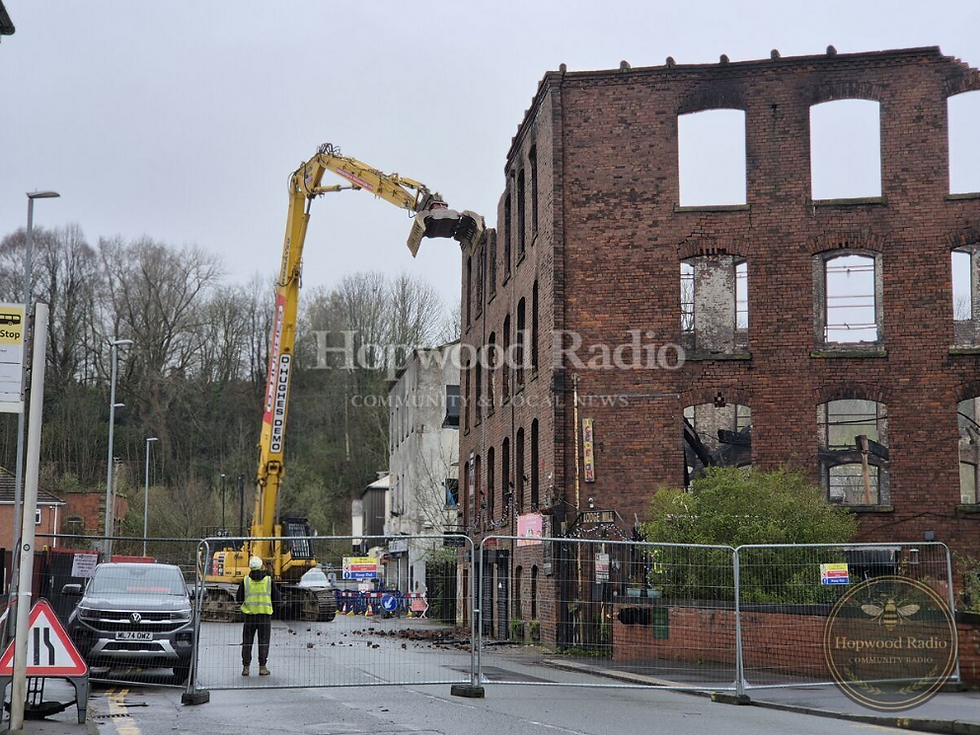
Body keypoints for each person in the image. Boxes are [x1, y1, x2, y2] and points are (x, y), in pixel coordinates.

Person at [236, 556, 279, 676]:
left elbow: (239, 598)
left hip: (249, 616)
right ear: (261, 566)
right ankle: (262, 667)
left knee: (247, 642)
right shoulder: (269, 581)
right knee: (264, 641)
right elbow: (277, 598)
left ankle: (246, 668)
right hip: (264, 616)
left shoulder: (245, 581)